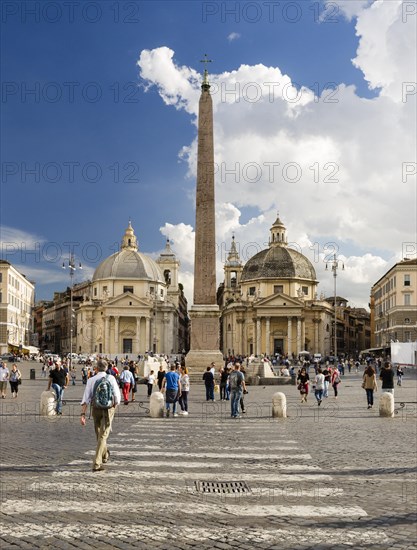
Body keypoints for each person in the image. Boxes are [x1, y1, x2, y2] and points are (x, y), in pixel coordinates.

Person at [80, 359, 121, 472]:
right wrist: (113, 409)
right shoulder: (111, 378)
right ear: (107, 368)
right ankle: (97, 463)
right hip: (108, 409)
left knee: (99, 434)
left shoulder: (91, 380)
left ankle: (105, 455)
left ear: (96, 368)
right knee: (103, 435)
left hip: (96, 409)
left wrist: (83, 414)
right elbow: (117, 398)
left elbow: (86, 398)